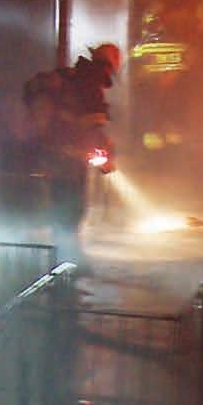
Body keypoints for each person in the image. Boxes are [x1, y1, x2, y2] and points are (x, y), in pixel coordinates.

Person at [22, 42, 121, 268]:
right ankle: (68, 262)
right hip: (68, 160)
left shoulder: (72, 77)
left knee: (62, 205)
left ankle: (61, 256)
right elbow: (93, 128)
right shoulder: (90, 86)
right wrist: (106, 158)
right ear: (107, 67)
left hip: (52, 154)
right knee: (71, 208)